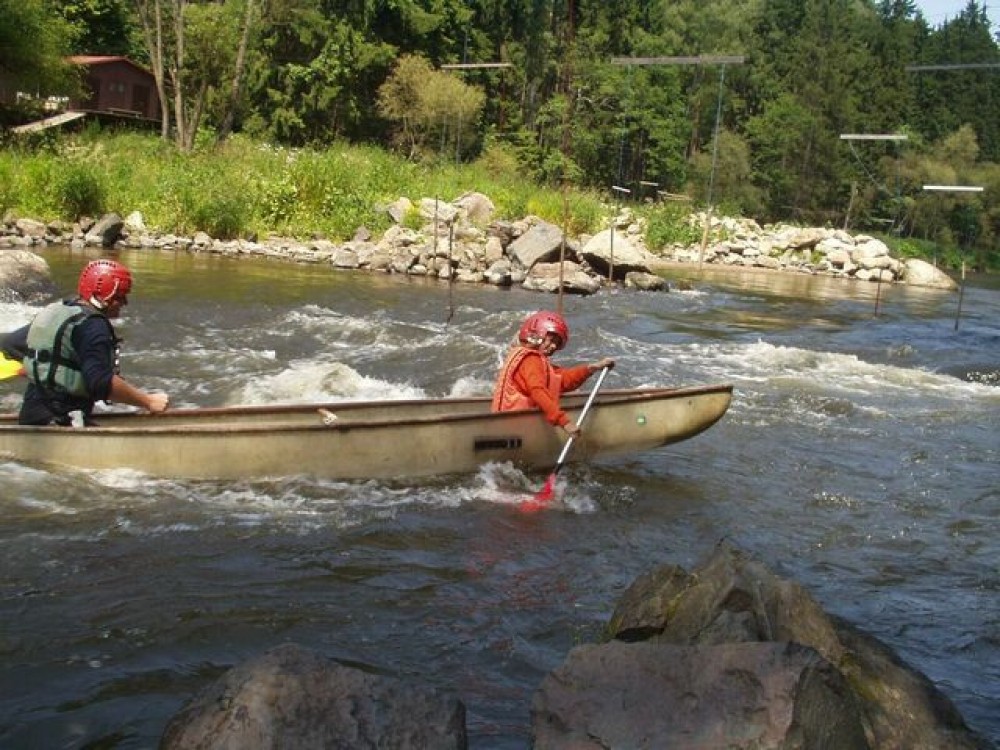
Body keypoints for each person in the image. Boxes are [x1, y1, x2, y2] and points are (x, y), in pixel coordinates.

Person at [13, 258, 170, 426]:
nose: (124, 303)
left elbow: (11, 343)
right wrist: (148, 401)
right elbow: (100, 382)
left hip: (30, 415)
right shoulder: (93, 326)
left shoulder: (57, 312)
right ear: (102, 297)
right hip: (62, 418)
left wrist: (38, 368)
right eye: (120, 296)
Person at [491, 310, 614, 436]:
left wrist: (591, 368)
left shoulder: (531, 359)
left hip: (511, 424)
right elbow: (537, 391)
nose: (554, 346)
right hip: (516, 429)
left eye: (557, 343)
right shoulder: (531, 360)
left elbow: (563, 380)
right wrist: (564, 422)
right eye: (551, 340)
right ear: (536, 335)